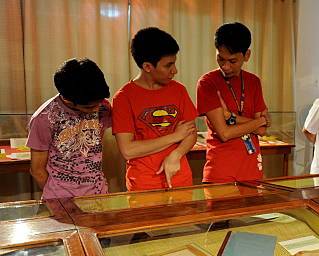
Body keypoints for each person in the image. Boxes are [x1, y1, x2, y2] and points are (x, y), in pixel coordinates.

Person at [113, 27, 197, 191]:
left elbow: (190, 133)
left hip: (180, 178)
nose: (175, 70)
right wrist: (175, 136)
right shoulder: (123, 97)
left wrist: (177, 154)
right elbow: (128, 150)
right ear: (147, 67)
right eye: (168, 65)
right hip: (144, 184)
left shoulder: (179, 90)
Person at [27, 58, 111, 200]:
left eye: (99, 102)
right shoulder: (44, 118)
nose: (97, 109)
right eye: (89, 107)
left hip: (98, 193)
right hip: (60, 198)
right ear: (67, 100)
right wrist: (57, 194)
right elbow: (37, 170)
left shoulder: (103, 106)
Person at [196, 22, 269, 183]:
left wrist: (231, 118)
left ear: (247, 55)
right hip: (220, 171)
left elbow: (262, 130)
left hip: (251, 169)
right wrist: (260, 121)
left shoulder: (253, 81)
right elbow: (224, 133)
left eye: (232, 61)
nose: (225, 66)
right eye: (220, 59)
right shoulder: (207, 83)